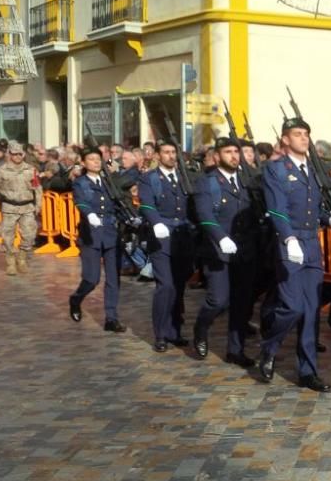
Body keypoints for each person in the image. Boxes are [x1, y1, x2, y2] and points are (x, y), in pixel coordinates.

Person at [259, 117, 331, 391]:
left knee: (311, 311)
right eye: (297, 134)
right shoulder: (275, 169)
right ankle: (269, 347)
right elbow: (276, 208)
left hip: (311, 243)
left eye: (306, 134)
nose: (303, 139)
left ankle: (308, 371)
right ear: (285, 139)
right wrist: (288, 238)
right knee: (291, 306)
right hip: (289, 242)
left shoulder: (312, 170)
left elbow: (315, 209)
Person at [190, 137, 261, 366]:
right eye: (228, 152)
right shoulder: (206, 182)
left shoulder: (246, 181)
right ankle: (201, 327)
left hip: (245, 250)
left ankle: (235, 350)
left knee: (241, 303)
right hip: (218, 250)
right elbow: (205, 215)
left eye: (236, 152)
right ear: (217, 156)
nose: (234, 156)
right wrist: (220, 238)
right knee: (218, 300)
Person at [137, 139, 195, 353]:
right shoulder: (150, 179)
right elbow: (146, 204)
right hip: (161, 236)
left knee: (179, 286)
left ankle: (175, 331)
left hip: (183, 236)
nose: (171, 156)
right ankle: (161, 334)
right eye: (167, 152)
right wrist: (156, 222)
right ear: (158, 156)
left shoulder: (184, 177)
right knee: (166, 285)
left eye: (174, 152)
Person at [68, 148, 127, 334]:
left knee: (113, 278)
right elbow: (81, 202)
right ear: (83, 163)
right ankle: (76, 299)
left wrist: (130, 217)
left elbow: (119, 201)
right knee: (91, 279)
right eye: (91, 159)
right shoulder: (80, 183)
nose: (95, 162)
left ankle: (111, 318)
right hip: (91, 234)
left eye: (98, 159)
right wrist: (90, 214)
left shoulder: (108, 181)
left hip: (110, 233)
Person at [0, 141, 41, 276]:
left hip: (27, 207)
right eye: (14, 154)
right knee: (7, 235)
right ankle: (10, 261)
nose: (17, 157)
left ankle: (21, 258)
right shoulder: (2, 171)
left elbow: (38, 188)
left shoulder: (31, 170)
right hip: (9, 207)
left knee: (30, 235)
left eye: (20, 154)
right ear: (10, 154)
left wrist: (39, 204)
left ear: (23, 154)